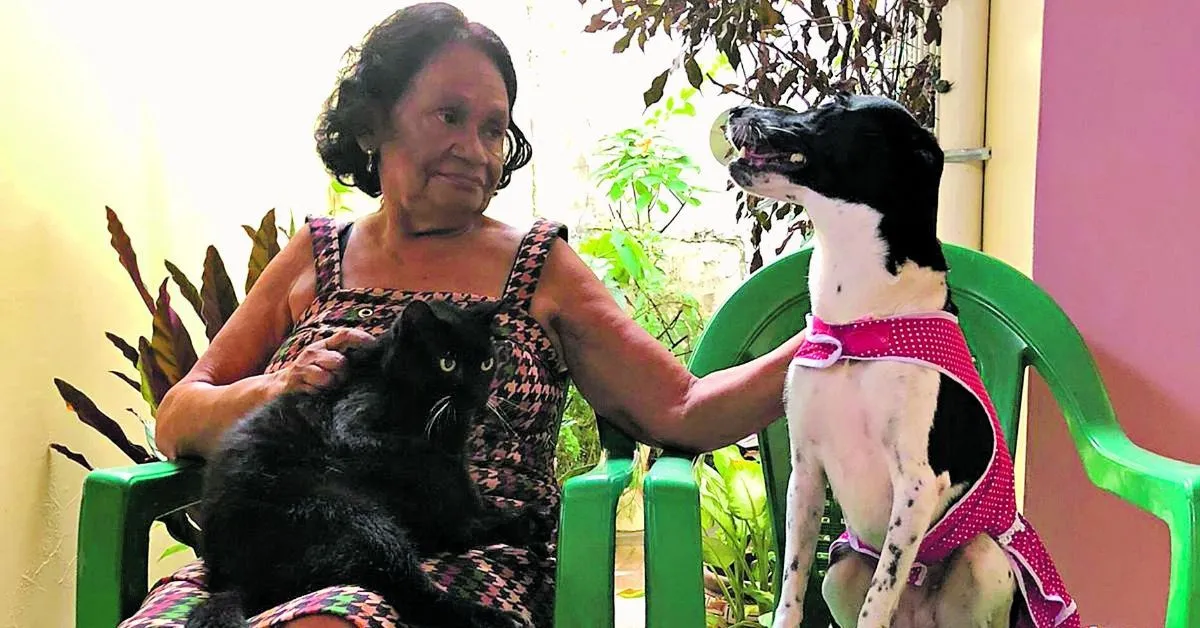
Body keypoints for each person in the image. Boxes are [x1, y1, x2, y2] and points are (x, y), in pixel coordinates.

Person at [120, 3, 805, 627]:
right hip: (284, 550)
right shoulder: (316, 253)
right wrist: (277, 389)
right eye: (449, 117)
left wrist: (833, 338)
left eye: (493, 129)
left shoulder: (540, 264)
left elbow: (683, 408)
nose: (476, 151)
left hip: (461, 563)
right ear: (372, 124)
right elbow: (178, 418)